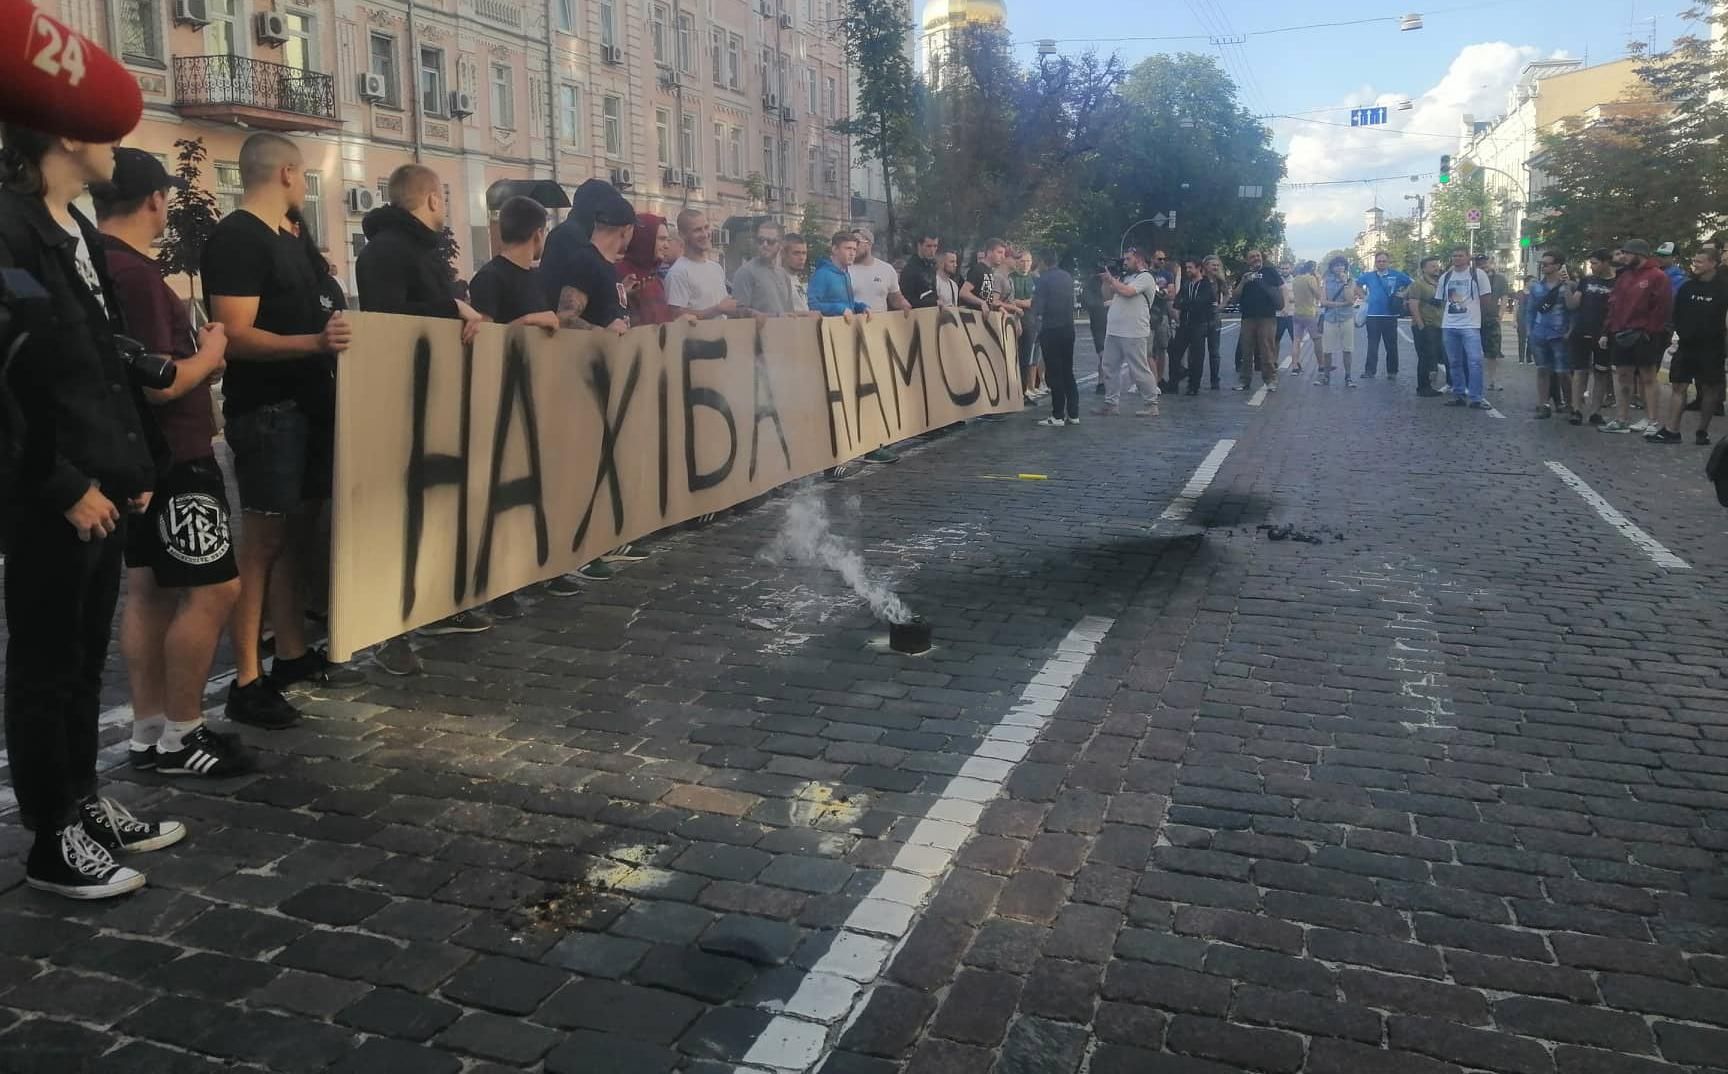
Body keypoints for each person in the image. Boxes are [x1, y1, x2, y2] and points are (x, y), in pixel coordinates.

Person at [0, 124, 189, 898]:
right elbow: (10, 373)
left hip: (100, 481)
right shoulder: (9, 225)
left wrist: (130, 464)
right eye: (106, 129)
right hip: (51, 491)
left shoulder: (73, 223)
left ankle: (82, 805)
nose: (119, 145)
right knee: (44, 665)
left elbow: (98, 358)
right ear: (65, 133)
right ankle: (52, 838)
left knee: (82, 659)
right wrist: (60, 482)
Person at [91, 148, 249, 779]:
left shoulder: (95, 263)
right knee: (215, 588)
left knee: (150, 589)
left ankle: (149, 729)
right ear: (155, 200)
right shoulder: (136, 275)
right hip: (177, 456)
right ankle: (183, 733)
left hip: (135, 457)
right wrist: (211, 350)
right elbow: (161, 382)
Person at [201, 133, 360, 728]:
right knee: (263, 543)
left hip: (309, 405)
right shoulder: (238, 237)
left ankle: (291, 653)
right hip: (269, 411)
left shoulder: (290, 239)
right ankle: (247, 678)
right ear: (289, 173)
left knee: (296, 536)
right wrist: (315, 342)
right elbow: (234, 334)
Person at [354, 163, 495, 673]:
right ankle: (388, 630)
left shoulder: (418, 249)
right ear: (432, 199)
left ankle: (433, 606)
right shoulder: (388, 251)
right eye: (445, 199)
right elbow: (389, 317)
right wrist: (450, 309)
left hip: (431, 395)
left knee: (435, 504)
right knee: (400, 514)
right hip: (400, 400)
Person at [1650, 247, 1727, 445]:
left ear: (1713, 263)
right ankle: (1672, 430)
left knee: (1710, 389)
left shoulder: (1723, 288)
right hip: (1686, 345)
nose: (1695, 265)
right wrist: (1679, 334)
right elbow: (1676, 314)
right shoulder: (1687, 287)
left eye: (1700, 261)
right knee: (1679, 385)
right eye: (1694, 261)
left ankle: (1702, 431)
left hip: (1712, 348)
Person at [1598, 240, 1673, 434]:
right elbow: (1613, 304)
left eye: (1627, 253)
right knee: (1623, 376)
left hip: (1644, 334)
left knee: (1648, 377)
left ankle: (1652, 420)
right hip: (1621, 332)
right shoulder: (1624, 276)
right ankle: (1621, 418)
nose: (1623, 257)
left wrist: (1650, 331)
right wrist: (1608, 330)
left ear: (1639, 254)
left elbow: (1662, 307)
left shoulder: (1657, 276)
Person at [471, 196, 560, 330]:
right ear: (538, 234)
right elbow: (482, 335)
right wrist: (528, 320)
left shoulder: (538, 277)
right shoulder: (489, 277)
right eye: (545, 231)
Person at [1094, 247, 1161, 417]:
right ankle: (1111, 403)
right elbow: (1107, 295)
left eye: (1128, 259)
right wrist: (1107, 281)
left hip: (1133, 331)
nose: (1124, 262)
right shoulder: (1125, 277)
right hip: (1114, 330)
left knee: (1138, 369)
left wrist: (1112, 280)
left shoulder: (1145, 277)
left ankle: (1151, 403)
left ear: (1139, 260)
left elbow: (1128, 292)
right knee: (1109, 367)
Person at [1435, 247, 1495, 409]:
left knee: (1475, 361)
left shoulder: (1478, 274)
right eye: (1454, 256)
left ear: (1468, 258)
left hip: (1470, 325)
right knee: (1454, 362)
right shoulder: (1446, 276)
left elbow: (1486, 298)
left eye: (1461, 256)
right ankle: (1459, 395)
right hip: (1449, 325)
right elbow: (1442, 300)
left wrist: (1477, 315)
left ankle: (1476, 398)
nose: (1457, 258)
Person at [1566, 249, 1617, 426]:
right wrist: (1566, 286)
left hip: (1604, 333)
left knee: (1601, 372)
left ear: (1606, 262)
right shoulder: (1586, 281)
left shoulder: (1617, 283)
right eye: (1591, 263)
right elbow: (1573, 304)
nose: (1592, 267)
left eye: (1595, 263)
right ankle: (1576, 409)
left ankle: (1596, 411)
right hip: (1582, 330)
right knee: (1580, 371)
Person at [1030, 250, 1077, 426]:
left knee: (1055, 373)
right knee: (1068, 371)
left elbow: (1038, 307)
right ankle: (1073, 413)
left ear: (1043, 262)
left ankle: (1057, 415)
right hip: (1068, 329)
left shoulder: (1043, 279)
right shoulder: (1067, 277)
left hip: (1051, 330)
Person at [1525, 250, 1573, 420]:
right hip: (1539, 334)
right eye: (1542, 264)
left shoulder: (1567, 286)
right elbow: (1530, 310)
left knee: (1563, 372)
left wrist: (1570, 330)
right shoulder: (1536, 287)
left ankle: (1570, 404)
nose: (1543, 266)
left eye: (1547, 264)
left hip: (1559, 334)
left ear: (1558, 265)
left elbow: (1573, 311)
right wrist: (1529, 331)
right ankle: (1543, 404)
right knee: (1542, 369)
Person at [732, 220, 812, 317]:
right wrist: (775, 316)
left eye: (770, 241)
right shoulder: (745, 272)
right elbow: (737, 312)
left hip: (783, 327)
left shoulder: (783, 275)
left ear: (780, 245)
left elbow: (790, 314)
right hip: (758, 328)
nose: (764, 245)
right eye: (761, 240)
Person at [665, 209, 735, 320]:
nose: (705, 234)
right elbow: (676, 315)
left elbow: (724, 306)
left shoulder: (716, 268)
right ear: (682, 235)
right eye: (697, 230)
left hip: (723, 331)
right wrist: (717, 309)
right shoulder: (678, 273)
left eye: (706, 227)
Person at [1233, 249, 1282, 392]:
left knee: (1267, 349)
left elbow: (1280, 290)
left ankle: (1270, 380)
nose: (1256, 258)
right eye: (1252, 257)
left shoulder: (1270, 272)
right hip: (1248, 317)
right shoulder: (1243, 274)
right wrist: (1243, 282)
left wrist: (1262, 282)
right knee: (1246, 350)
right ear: (1247, 260)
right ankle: (1244, 380)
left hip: (1267, 316)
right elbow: (1235, 297)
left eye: (1258, 256)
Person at [1356, 251, 1411, 381]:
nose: (1381, 263)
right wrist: (1364, 296)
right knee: (1372, 345)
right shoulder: (1369, 276)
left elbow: (1411, 283)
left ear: (1388, 262)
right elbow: (1357, 285)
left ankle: (1392, 371)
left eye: (1384, 261)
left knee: (1391, 345)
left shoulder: (1396, 275)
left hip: (1390, 315)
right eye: (1379, 261)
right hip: (1373, 315)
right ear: (1375, 262)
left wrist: (1403, 294)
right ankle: (1370, 371)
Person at [614, 211, 673, 326]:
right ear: (645, 239)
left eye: (667, 240)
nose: (667, 245)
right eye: (661, 239)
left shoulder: (655, 279)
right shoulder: (619, 274)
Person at [1174, 258, 1220, 396]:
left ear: (1199, 268)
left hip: (1199, 324)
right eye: (1186, 268)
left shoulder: (1206, 284)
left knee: (1197, 356)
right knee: (1174, 352)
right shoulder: (1186, 284)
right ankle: (1174, 382)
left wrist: (1186, 304)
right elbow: (1177, 302)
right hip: (1184, 324)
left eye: (1190, 267)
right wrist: (1187, 304)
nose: (1188, 270)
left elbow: (1201, 302)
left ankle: (1194, 385)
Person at [1405, 256, 1445, 397]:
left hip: (1439, 324)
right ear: (1424, 269)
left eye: (1437, 265)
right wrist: (1421, 326)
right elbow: (1413, 305)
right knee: (1425, 357)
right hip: (1425, 325)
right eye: (1432, 266)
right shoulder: (1418, 284)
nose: (1436, 268)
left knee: (1436, 356)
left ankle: (1437, 383)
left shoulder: (1440, 283)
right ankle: (1423, 387)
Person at [1317, 256, 1358, 388]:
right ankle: (1326, 376)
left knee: (1348, 349)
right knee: (1327, 350)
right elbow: (1323, 302)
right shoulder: (1326, 281)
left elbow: (1350, 300)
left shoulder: (1351, 281)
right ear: (1332, 268)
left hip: (1346, 318)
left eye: (1342, 265)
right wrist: (1342, 304)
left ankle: (1348, 377)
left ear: (1345, 267)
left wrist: (1344, 283)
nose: (1339, 267)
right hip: (1330, 318)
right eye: (1336, 265)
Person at [848, 226, 907, 313]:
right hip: (854, 320)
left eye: (857, 242)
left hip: (880, 320)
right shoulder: (845, 270)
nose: (853, 247)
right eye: (850, 244)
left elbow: (895, 298)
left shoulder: (887, 269)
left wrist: (903, 303)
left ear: (869, 244)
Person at [1475, 254, 1508, 391]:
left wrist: (1500, 315)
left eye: (1485, 262)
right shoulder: (1472, 277)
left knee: (1493, 352)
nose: (1483, 265)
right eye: (1479, 263)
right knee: (1472, 352)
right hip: (1473, 319)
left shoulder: (1500, 279)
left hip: (1491, 319)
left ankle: (1493, 380)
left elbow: (1504, 297)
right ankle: (1472, 380)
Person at [1289, 261, 1321, 376]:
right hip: (1309, 312)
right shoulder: (1310, 279)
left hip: (1297, 312)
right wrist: (1318, 280)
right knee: (1317, 339)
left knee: (1296, 340)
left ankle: (1294, 366)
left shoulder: (1296, 279)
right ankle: (1321, 365)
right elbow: (1318, 295)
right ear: (1312, 269)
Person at [962, 239, 1009, 313]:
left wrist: (998, 308)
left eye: (1004, 254)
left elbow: (987, 298)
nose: (1003, 257)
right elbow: (964, 292)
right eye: (999, 252)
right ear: (989, 252)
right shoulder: (978, 269)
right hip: (973, 315)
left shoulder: (990, 272)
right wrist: (981, 302)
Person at [900, 232, 941, 309]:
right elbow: (907, 301)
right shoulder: (910, 269)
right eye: (928, 246)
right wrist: (933, 303)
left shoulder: (931, 267)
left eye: (935, 246)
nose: (932, 250)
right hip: (916, 313)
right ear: (919, 246)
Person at [783, 233, 814, 312]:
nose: (801, 258)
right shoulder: (779, 281)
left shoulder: (796, 279)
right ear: (784, 254)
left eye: (804, 253)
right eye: (796, 253)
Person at [1274, 259, 1296, 362]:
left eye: (1287, 268)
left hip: (1292, 314)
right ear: (1279, 269)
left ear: (1291, 269)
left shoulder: (1296, 281)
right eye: (1282, 268)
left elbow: (1299, 297)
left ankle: (1296, 362)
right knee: (1276, 339)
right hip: (1279, 315)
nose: (1285, 270)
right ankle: (1274, 361)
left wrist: (1286, 298)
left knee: (1295, 340)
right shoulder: (1275, 281)